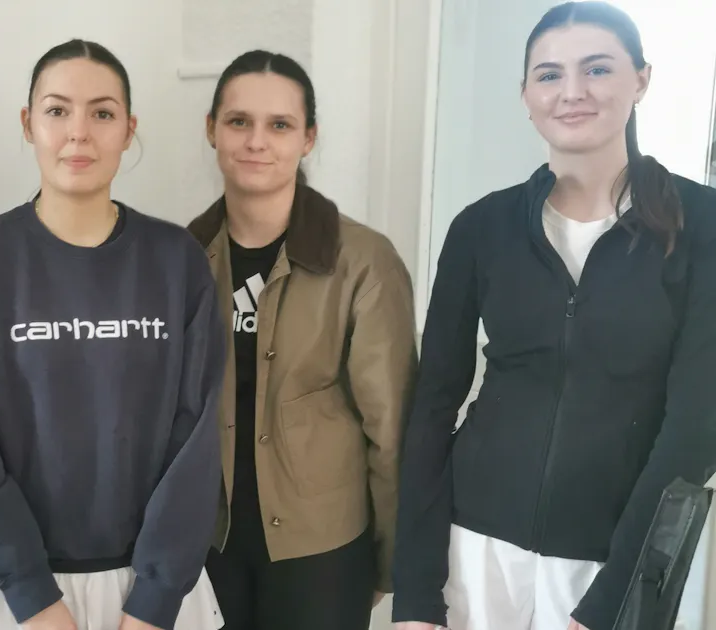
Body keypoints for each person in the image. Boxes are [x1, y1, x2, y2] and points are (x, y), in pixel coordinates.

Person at [392, 3, 716, 630]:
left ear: (641, 79)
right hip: (475, 548)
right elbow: (432, 407)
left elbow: (696, 427)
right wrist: (415, 592)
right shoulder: (481, 227)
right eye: (549, 75)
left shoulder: (701, 225)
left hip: (614, 558)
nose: (572, 91)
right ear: (526, 95)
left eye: (597, 68)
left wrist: (611, 601)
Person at [0, 39, 226, 630]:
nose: (79, 132)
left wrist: (155, 600)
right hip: (13, 598)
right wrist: (32, 597)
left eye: (103, 113)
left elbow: (197, 435)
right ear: (28, 123)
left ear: (128, 129)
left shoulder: (176, 260)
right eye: (57, 110)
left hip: (152, 595)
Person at [187, 50, 418, 630]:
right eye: (238, 121)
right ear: (212, 129)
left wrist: (391, 561)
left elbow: (391, 430)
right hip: (206, 545)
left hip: (322, 552)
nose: (256, 141)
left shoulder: (363, 261)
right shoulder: (180, 258)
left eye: (280, 125)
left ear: (308, 138)